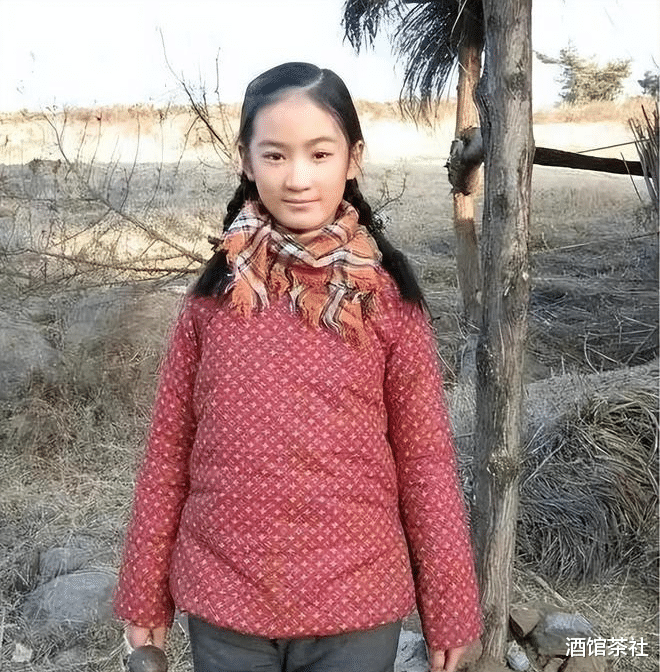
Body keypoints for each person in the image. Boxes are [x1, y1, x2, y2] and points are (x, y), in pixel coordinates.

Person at [114, 62, 482, 672]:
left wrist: (449, 608)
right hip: (226, 601)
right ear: (246, 160)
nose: (299, 178)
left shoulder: (387, 303)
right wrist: (146, 593)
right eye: (276, 155)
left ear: (353, 158)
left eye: (320, 153)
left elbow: (426, 463)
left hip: (356, 604)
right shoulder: (211, 304)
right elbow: (168, 453)